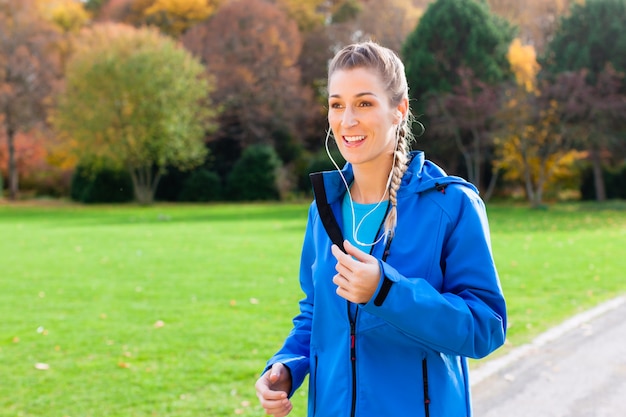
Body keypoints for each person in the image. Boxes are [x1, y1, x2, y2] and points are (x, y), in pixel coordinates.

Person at [255, 41, 506, 417]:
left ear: (398, 111)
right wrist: (288, 365)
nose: (347, 120)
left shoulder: (451, 205)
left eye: (365, 103)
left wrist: (386, 290)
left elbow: (485, 327)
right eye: (337, 104)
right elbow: (315, 313)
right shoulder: (323, 209)